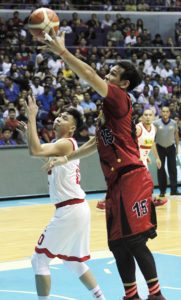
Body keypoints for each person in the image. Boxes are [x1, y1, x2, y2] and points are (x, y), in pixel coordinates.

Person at [41, 30, 166, 300]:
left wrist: (63, 53)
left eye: (112, 74)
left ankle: (155, 294)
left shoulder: (119, 99)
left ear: (124, 83)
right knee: (118, 244)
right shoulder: (105, 113)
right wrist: (66, 158)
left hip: (131, 177)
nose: (106, 75)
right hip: (117, 183)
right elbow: (94, 144)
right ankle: (131, 295)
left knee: (133, 239)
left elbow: (88, 74)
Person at [24, 99, 106, 300]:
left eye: (65, 117)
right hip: (75, 208)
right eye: (58, 116)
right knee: (73, 262)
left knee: (39, 259)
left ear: (72, 128)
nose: (59, 118)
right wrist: (26, 131)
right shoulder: (61, 146)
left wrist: (32, 116)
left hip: (70, 209)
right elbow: (40, 153)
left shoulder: (65, 144)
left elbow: (35, 151)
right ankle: (101, 298)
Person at [154, 106, 181, 197]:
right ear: (161, 113)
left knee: (172, 169)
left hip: (171, 148)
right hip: (160, 147)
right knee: (160, 169)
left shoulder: (173, 123)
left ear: (169, 113)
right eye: (163, 111)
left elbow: (176, 135)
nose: (165, 113)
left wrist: (177, 147)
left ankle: (174, 190)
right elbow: (152, 135)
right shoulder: (156, 123)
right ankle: (162, 191)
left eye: (167, 111)